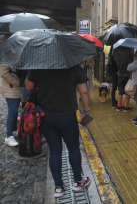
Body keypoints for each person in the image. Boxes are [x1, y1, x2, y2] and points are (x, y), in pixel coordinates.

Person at [25, 65, 91, 198]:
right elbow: (84, 91)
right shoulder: (73, 65)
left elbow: (28, 87)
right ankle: (78, 182)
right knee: (73, 148)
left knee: (54, 151)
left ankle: (59, 188)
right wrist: (86, 111)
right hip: (68, 116)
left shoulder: (38, 65)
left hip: (46, 116)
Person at [0, 34, 20, 147]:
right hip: (10, 88)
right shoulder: (4, 55)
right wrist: (18, 82)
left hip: (14, 88)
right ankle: (8, 136)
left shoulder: (13, 54)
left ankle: (13, 130)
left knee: (15, 110)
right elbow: (4, 73)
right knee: (12, 111)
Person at [113, 46, 134, 112]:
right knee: (127, 90)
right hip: (127, 74)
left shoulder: (117, 52)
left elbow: (115, 61)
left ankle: (119, 106)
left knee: (120, 91)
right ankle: (126, 107)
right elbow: (132, 60)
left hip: (120, 74)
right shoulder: (129, 50)